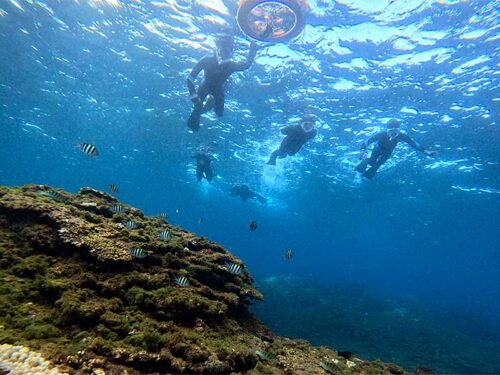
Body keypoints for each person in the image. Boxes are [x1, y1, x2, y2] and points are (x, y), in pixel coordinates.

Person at [187, 33, 257, 131]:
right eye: (222, 50)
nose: (224, 54)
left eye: (227, 51)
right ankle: (203, 108)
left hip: (216, 88)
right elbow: (190, 78)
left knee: (219, 114)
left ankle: (209, 104)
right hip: (206, 86)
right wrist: (193, 94)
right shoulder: (207, 60)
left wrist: (253, 49)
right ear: (217, 49)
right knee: (197, 107)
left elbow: (246, 65)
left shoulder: (229, 65)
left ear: (230, 52)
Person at [355, 119, 436, 179]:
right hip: (377, 149)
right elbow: (367, 141)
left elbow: (414, 144)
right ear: (387, 130)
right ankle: (360, 170)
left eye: (396, 131)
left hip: (387, 153)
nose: (393, 133)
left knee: (378, 165)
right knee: (371, 161)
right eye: (391, 131)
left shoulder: (402, 136)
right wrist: (362, 151)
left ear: (399, 130)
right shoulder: (382, 134)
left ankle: (366, 177)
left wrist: (426, 151)